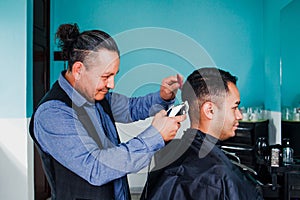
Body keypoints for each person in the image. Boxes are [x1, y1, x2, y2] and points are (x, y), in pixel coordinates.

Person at [29, 23, 186, 200]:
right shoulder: (53, 114)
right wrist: (155, 135)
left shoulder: (98, 96)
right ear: (78, 70)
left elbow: (133, 108)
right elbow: (96, 167)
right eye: (105, 76)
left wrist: (163, 97)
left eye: (114, 75)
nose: (112, 84)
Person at [140, 67, 263, 200]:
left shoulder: (168, 155)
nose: (239, 115)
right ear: (210, 110)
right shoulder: (219, 174)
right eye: (234, 107)